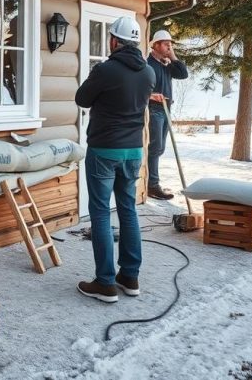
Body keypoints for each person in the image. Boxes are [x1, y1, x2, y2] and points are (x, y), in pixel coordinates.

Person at [74, 16, 155, 303]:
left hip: (105, 150)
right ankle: (129, 276)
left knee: (99, 212)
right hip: (134, 151)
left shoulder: (105, 70)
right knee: (128, 209)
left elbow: (82, 99)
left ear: (114, 40)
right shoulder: (148, 73)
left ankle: (105, 282)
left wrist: (95, 76)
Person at [146, 29, 189, 200]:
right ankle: (152, 185)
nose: (169, 47)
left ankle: (152, 182)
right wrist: (151, 95)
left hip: (166, 109)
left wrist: (173, 57)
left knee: (160, 148)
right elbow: (141, 88)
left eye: (170, 44)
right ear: (155, 45)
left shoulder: (167, 64)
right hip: (154, 108)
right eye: (165, 44)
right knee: (155, 147)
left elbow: (183, 74)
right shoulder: (148, 64)